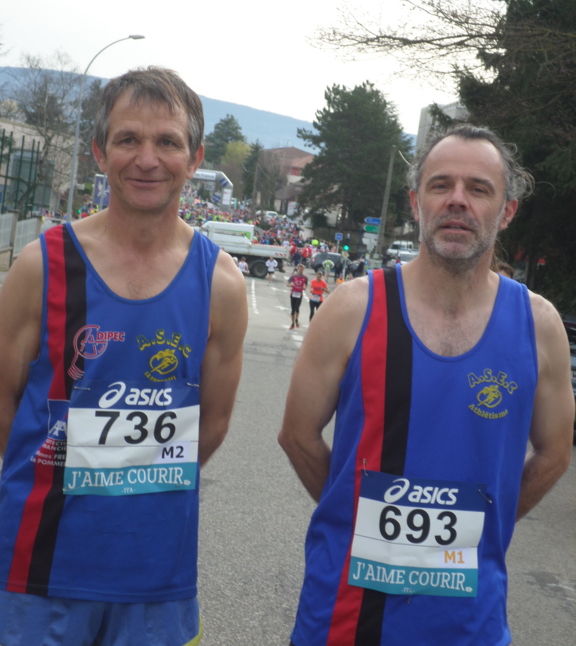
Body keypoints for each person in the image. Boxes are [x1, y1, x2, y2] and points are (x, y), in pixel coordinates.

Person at [278, 124, 574, 646]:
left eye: (478, 188)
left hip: (470, 624)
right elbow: (297, 436)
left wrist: (485, 524)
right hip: (345, 618)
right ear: (416, 203)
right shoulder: (351, 308)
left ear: (506, 211)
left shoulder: (538, 324)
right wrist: (358, 518)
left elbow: (554, 452)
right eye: (441, 185)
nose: (457, 200)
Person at [0, 67, 248, 646]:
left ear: (195, 158)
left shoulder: (222, 284)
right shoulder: (40, 267)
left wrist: (132, 481)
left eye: (167, 142)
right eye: (128, 139)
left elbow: (211, 425)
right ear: (99, 151)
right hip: (37, 571)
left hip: (155, 576)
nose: (147, 159)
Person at [286, 264, 308, 330]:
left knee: (297, 308)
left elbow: (306, 285)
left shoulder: (305, 277)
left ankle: (296, 319)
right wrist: (290, 285)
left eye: (302, 269)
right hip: (293, 294)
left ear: (303, 270)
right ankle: (292, 323)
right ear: (298, 269)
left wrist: (305, 287)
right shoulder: (293, 276)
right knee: (293, 309)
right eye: (299, 269)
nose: (300, 270)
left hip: (299, 294)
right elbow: (287, 283)